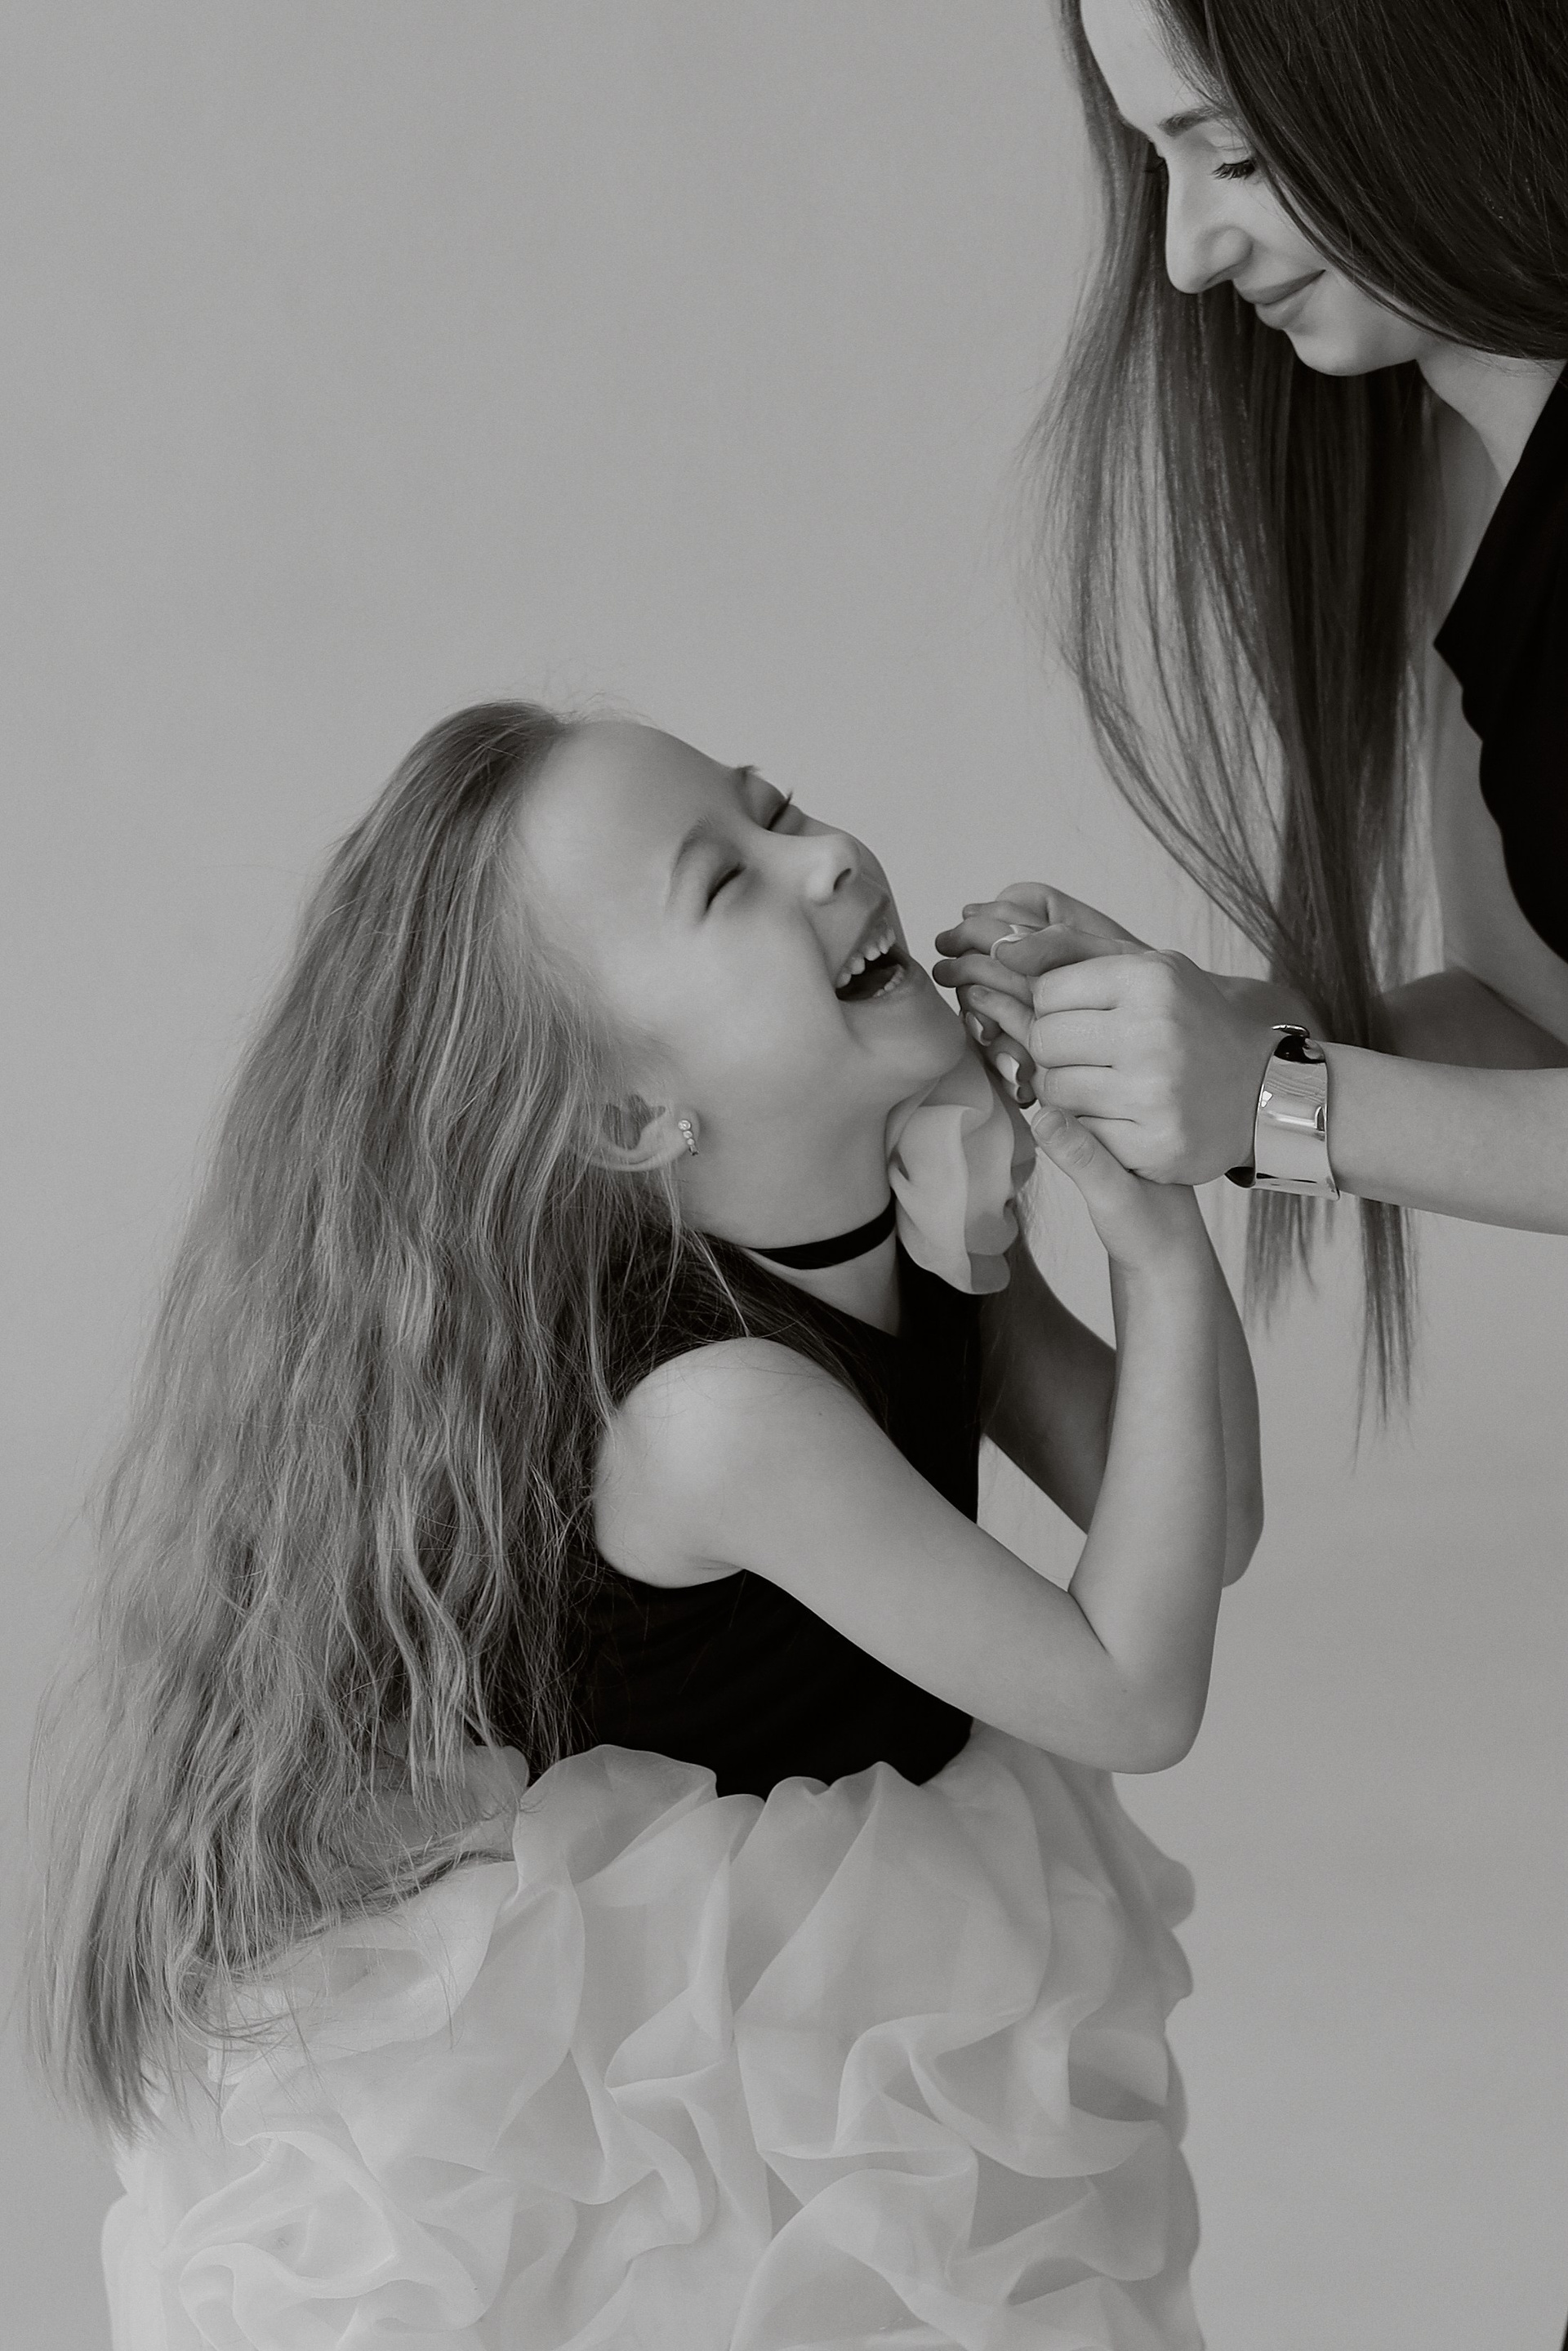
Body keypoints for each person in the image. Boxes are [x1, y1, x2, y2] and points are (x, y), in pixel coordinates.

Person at [27, 703, 1261, 2349]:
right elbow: (1132, 1691)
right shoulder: (717, 1417)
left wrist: (1087, 1185)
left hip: (848, 1909)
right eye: (726, 883)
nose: (826, 860)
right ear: (626, 1120)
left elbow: (1202, 1524)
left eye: (779, 810)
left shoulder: (916, 1209)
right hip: (643, 2027)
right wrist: (1156, 1242)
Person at [933, 0, 1568, 1408]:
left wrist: (1286, 1106)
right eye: (1156, 161)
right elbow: (1536, 1013)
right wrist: (1233, 1039)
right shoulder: (1460, 468)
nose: (1184, 257)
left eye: (1231, 154)